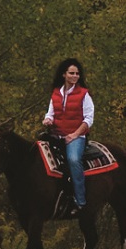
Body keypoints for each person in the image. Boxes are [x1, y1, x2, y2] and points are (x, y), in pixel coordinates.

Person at [43, 58, 94, 216]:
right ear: (64, 74)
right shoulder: (56, 93)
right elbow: (51, 112)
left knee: (73, 160)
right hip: (56, 134)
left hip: (76, 136)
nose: (75, 76)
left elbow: (88, 119)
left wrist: (74, 135)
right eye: (72, 73)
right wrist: (48, 119)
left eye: (77, 74)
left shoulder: (84, 94)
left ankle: (80, 201)